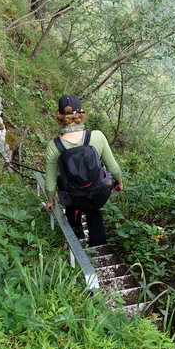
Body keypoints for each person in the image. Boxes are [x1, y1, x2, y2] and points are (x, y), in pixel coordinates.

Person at [44, 94, 123, 247]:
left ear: (59, 116)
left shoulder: (54, 146)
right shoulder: (97, 136)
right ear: (81, 114)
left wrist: (50, 200)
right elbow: (113, 167)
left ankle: (76, 231)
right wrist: (118, 182)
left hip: (74, 196)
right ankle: (98, 245)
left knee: (65, 187)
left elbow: (50, 181)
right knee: (93, 210)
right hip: (98, 192)